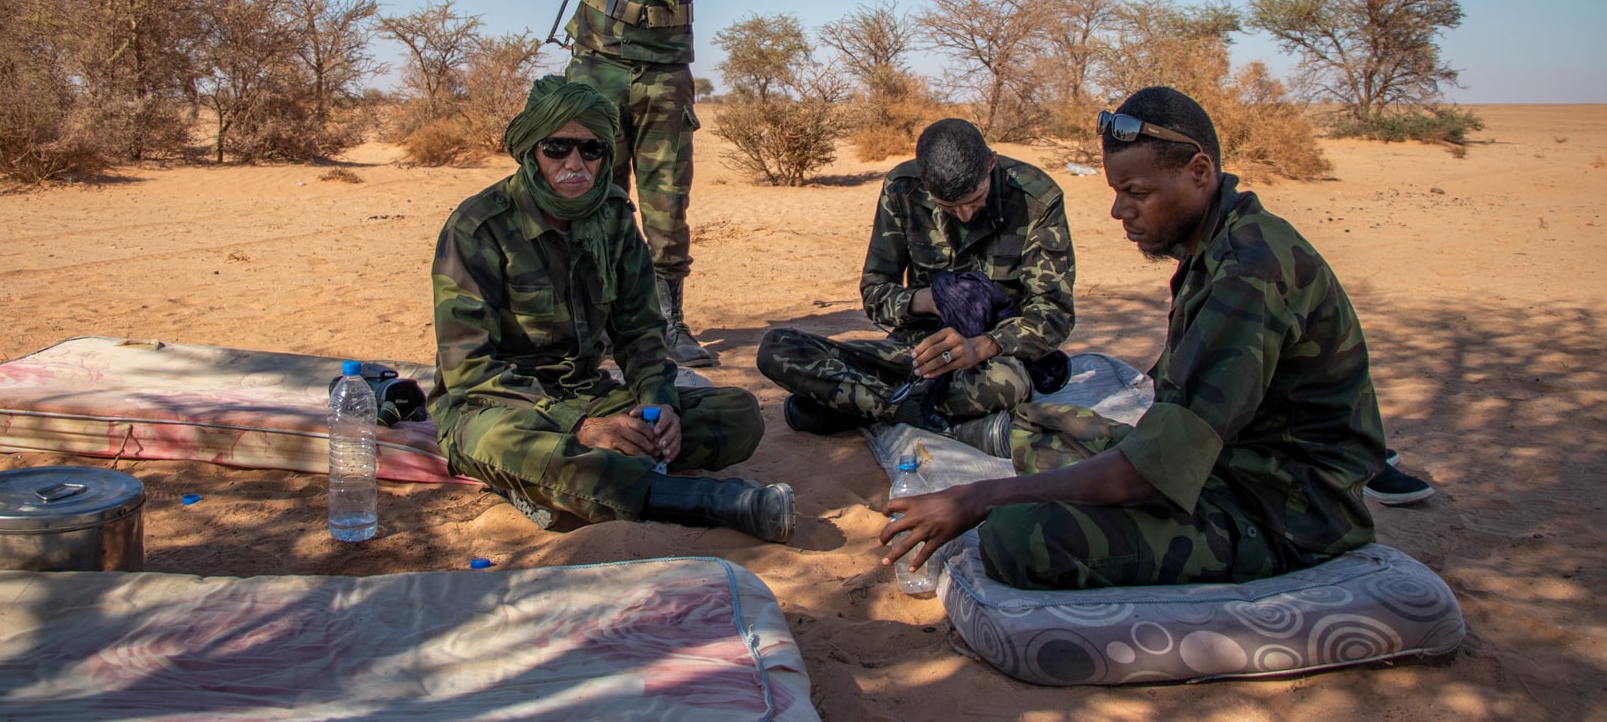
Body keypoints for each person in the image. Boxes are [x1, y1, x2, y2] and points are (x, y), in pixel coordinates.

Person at [881, 88, 1390, 589]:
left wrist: (977, 499)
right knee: (1047, 427)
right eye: (1117, 192)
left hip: (1284, 509)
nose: (1119, 211)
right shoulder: (1217, 244)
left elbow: (1151, 471)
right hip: (1228, 464)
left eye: (1137, 193)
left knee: (1016, 538)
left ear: (1199, 172)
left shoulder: (1249, 274)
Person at [427, 76, 792, 543]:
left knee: (738, 412)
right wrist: (581, 427)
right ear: (531, 150)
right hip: (501, 405)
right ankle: (700, 500)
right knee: (507, 444)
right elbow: (470, 371)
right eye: (557, 148)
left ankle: (577, 481)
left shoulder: (613, 216)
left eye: (592, 150)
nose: (575, 164)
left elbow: (640, 331)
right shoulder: (479, 227)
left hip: (586, 392)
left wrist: (658, 403)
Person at [756, 118, 1076, 440]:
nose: (965, 215)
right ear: (925, 184)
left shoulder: (1037, 198)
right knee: (777, 348)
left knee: (1007, 385)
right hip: (914, 351)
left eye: (975, 200)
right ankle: (911, 412)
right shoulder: (901, 187)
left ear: (990, 164)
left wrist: (982, 346)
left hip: (987, 356)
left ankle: (861, 403)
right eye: (949, 206)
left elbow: (1053, 313)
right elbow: (875, 292)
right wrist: (928, 301)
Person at [554, 0, 722, 367]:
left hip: (664, 78)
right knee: (592, 198)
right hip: (597, 70)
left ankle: (669, 321)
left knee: (666, 206)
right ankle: (596, 323)